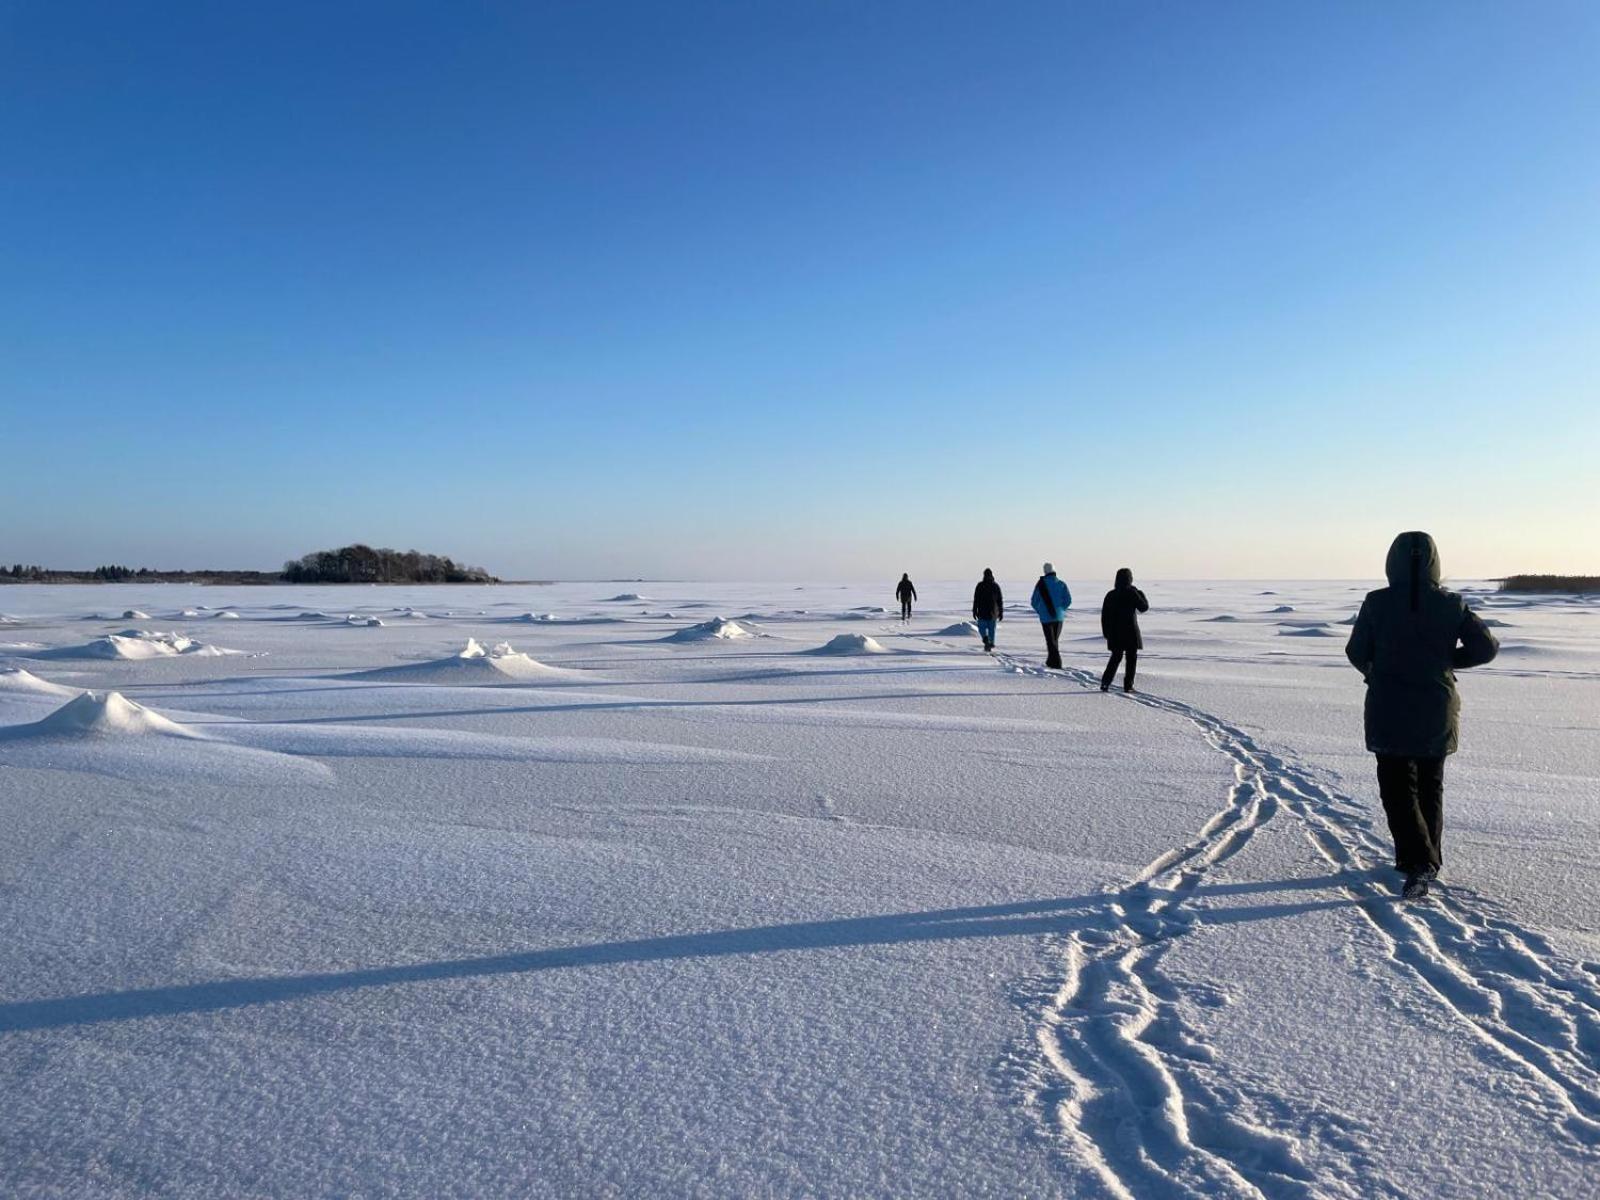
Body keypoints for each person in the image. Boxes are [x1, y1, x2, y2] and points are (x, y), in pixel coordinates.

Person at [1345, 531, 1498, 900]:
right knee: (1430, 785)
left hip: (1389, 706)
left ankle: (1418, 863)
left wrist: (1375, 671)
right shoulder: (1451, 604)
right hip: (1436, 707)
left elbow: (1355, 650)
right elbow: (1486, 648)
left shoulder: (1376, 603)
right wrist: (1445, 663)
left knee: (1397, 788)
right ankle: (1425, 859)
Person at [1100, 567, 1149, 693]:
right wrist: (1140, 592)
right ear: (1130, 579)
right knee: (1131, 659)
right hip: (1130, 632)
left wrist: (1106, 633)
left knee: (1115, 657)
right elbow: (1144, 607)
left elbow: (1104, 616)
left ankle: (1105, 682)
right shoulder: (1132, 593)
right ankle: (1128, 685)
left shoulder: (1110, 594)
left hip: (1115, 633)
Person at [1030, 562, 1072, 669]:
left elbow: (1034, 601)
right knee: (1054, 640)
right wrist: (1061, 610)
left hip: (1045, 618)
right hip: (1059, 618)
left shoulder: (1041, 584)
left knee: (1050, 641)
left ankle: (1056, 663)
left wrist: (1041, 611)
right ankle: (1050, 662)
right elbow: (1068, 600)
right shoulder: (1061, 584)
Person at [972, 568, 1003, 652]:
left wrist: (974, 610)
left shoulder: (980, 585)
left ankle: (987, 640)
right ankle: (990, 642)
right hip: (992, 612)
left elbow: (976, 599)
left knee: (982, 628)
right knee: (991, 629)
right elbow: (999, 600)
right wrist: (1000, 612)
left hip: (983, 611)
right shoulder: (995, 586)